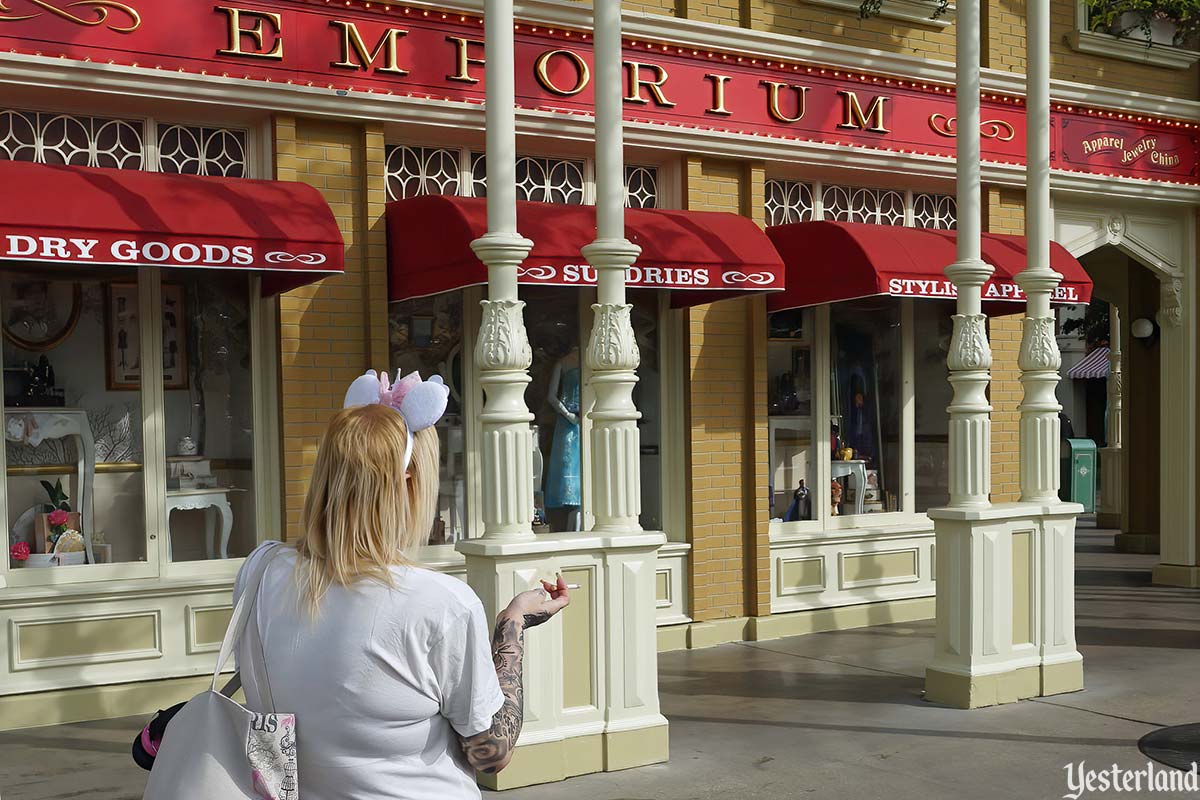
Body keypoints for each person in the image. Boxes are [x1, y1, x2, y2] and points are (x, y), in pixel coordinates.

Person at [231, 371, 570, 799]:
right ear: (409, 483)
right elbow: (490, 753)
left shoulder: (260, 571)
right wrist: (512, 623)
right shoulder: (441, 603)